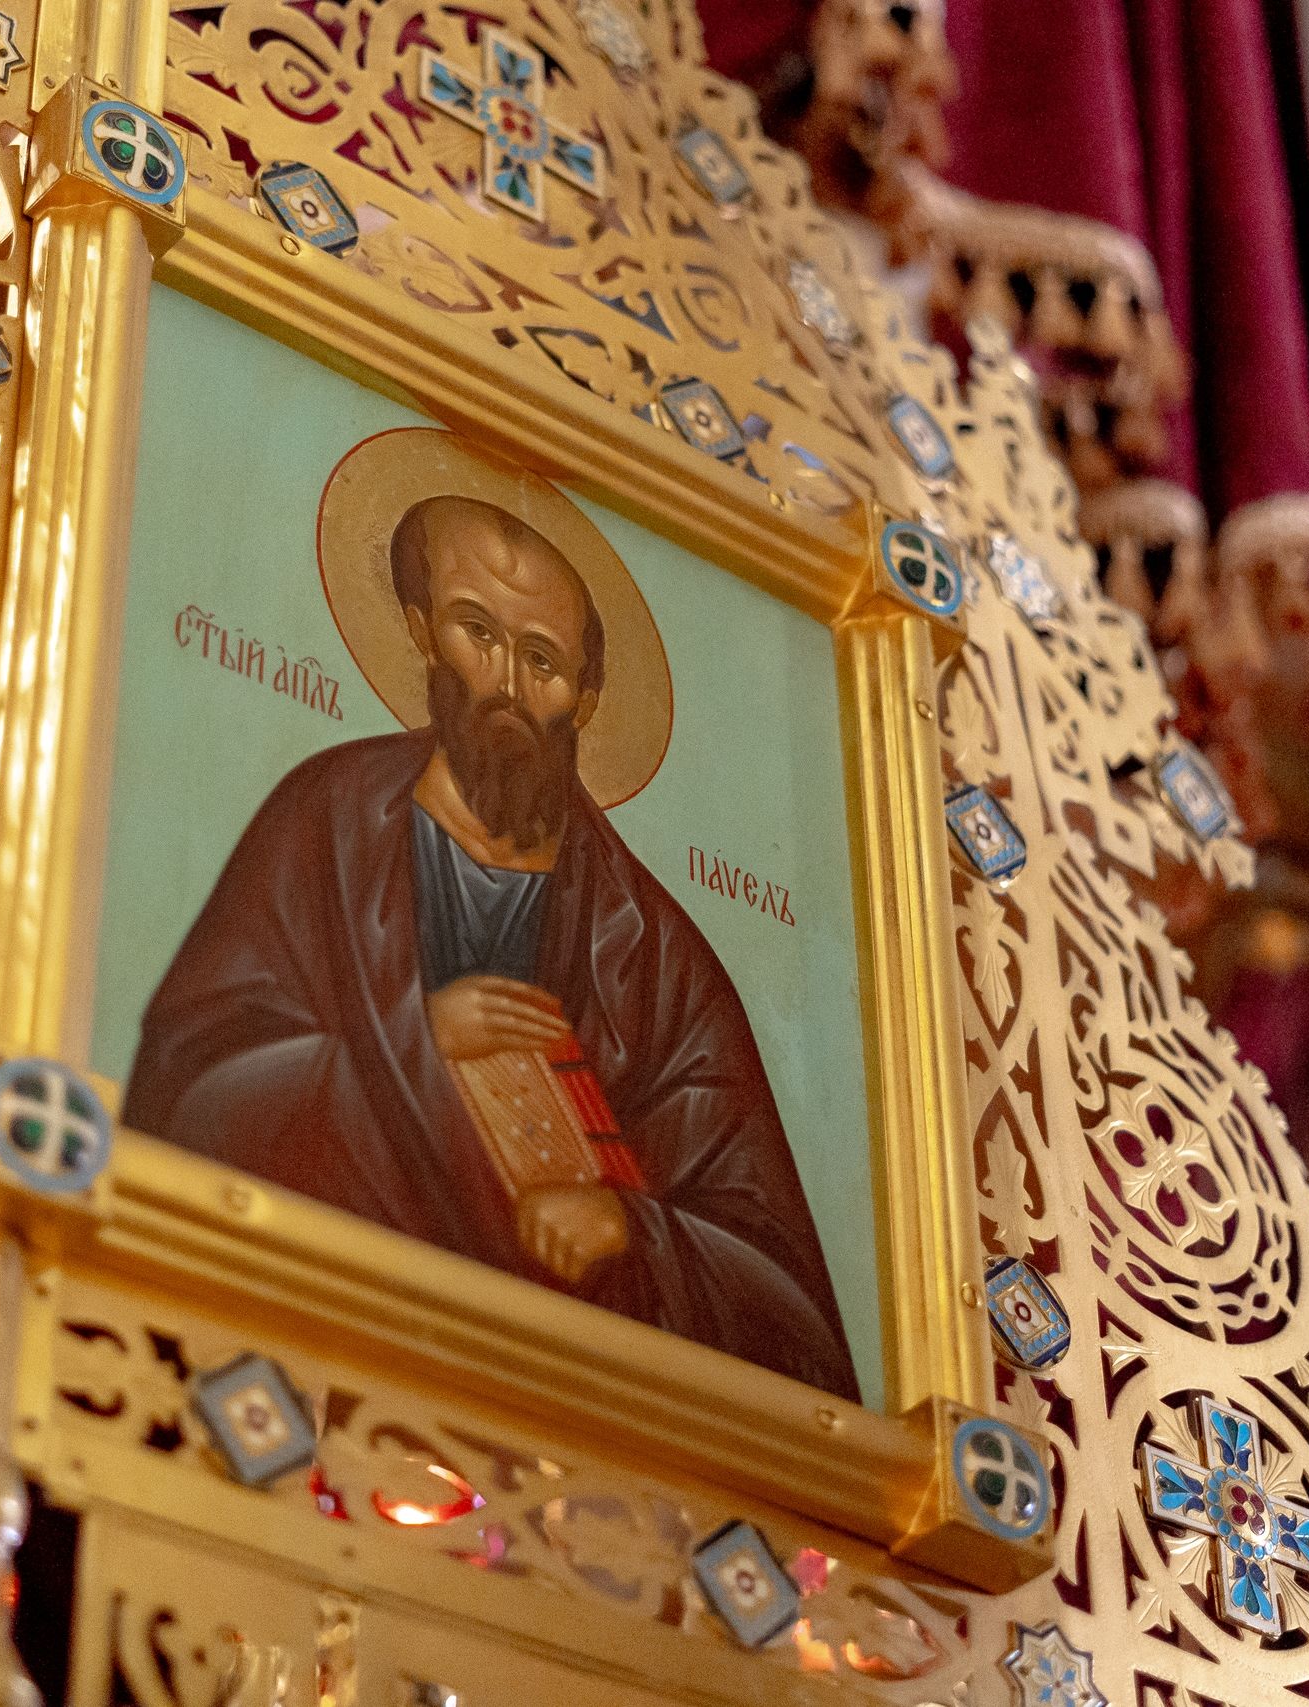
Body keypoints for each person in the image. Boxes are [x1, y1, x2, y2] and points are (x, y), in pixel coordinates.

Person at [122, 494, 857, 1398]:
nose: (506, 682)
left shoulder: (653, 955)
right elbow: (187, 1093)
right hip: (303, 1350)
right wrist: (416, 1040)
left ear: (587, 698)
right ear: (422, 631)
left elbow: (786, 1303)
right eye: (477, 631)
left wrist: (632, 1227)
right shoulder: (325, 825)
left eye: (542, 660)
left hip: (557, 1414)